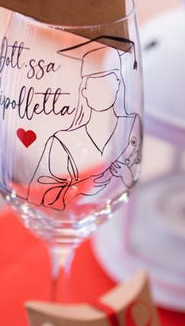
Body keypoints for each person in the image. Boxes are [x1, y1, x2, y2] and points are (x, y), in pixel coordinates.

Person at [26, 37, 141, 211]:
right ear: (84, 90)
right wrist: (86, 185)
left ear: (118, 84)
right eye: (92, 83)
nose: (96, 91)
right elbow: (39, 198)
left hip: (100, 214)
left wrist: (123, 173)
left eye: (108, 79)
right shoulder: (61, 140)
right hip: (68, 218)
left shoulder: (131, 124)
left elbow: (132, 175)